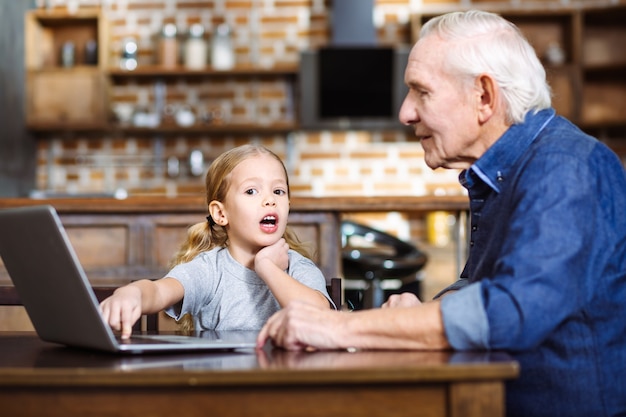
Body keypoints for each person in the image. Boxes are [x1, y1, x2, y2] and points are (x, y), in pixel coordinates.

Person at [257, 10, 626, 417]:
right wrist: (421, 313)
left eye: (421, 92)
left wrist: (336, 326)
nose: (405, 113)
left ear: (483, 97)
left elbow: (509, 312)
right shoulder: (505, 169)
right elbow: (480, 284)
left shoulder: (567, 167)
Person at [100, 144, 333, 339]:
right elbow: (159, 291)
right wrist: (132, 294)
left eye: (279, 191)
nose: (269, 200)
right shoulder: (209, 270)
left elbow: (321, 318)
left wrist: (268, 267)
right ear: (221, 214)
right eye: (252, 191)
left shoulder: (298, 268)